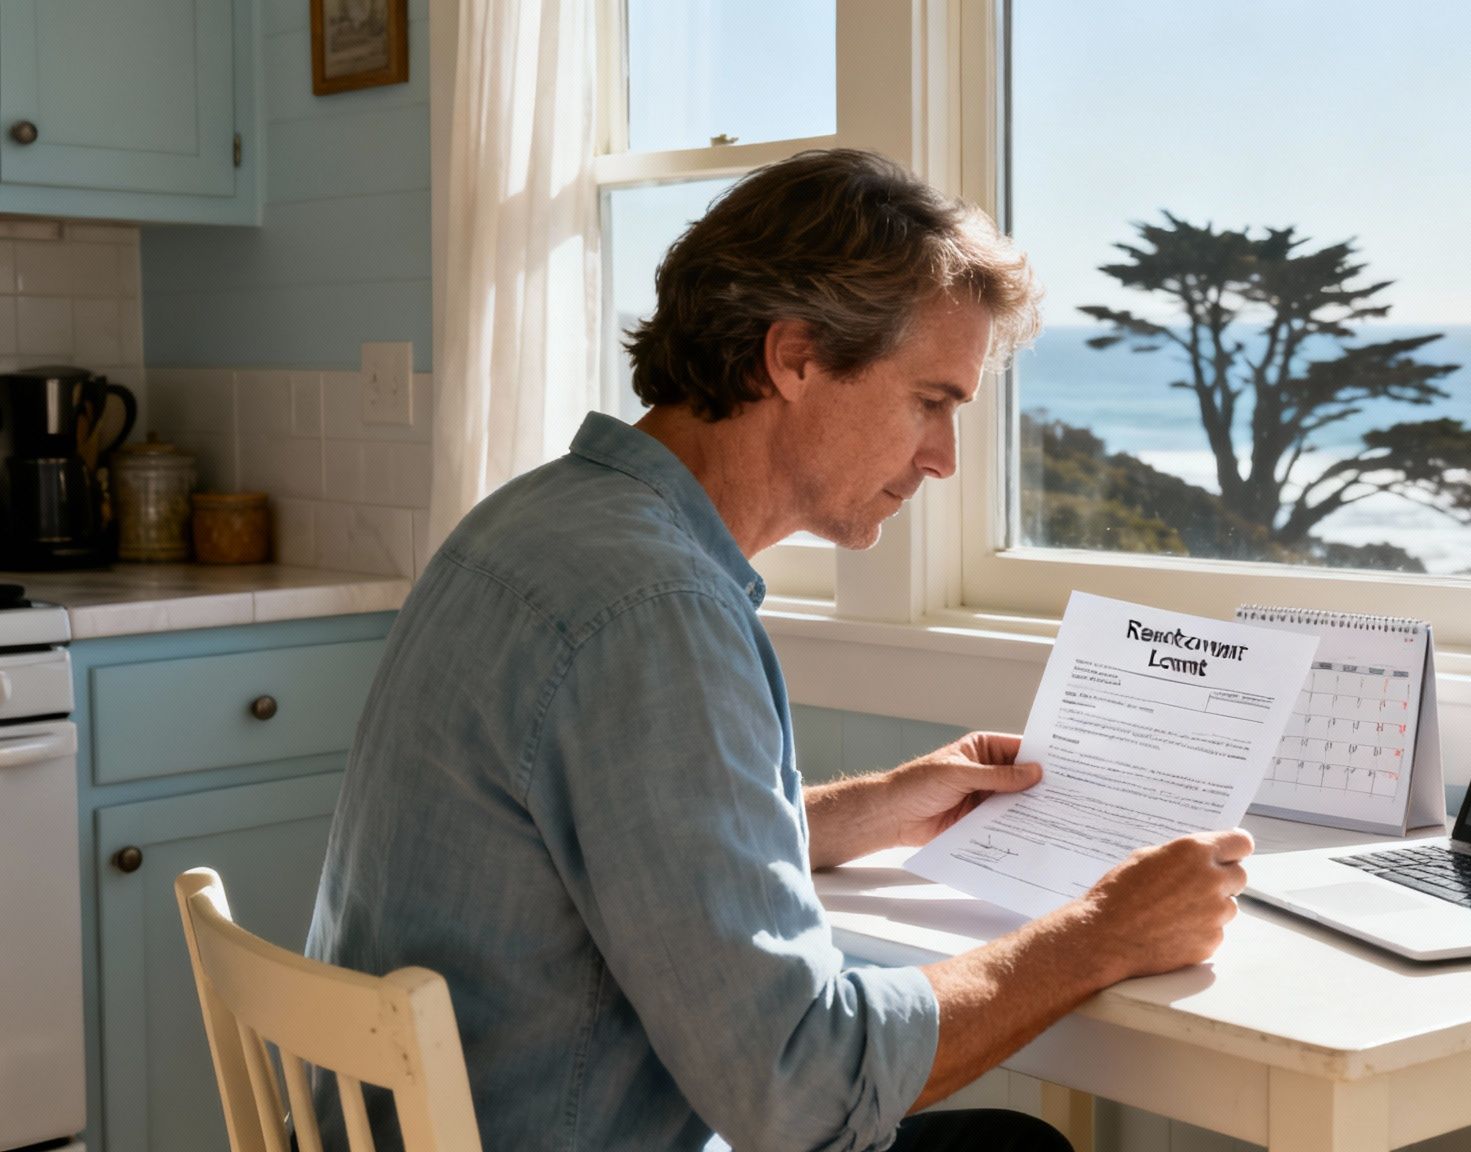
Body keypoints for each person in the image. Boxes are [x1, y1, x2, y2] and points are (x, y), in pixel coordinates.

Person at [307, 148, 1253, 1152]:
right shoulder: (656, 611)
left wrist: (877, 808)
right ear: (794, 356)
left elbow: (633, 846)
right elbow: (802, 1088)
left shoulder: (533, 522)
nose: (942, 458)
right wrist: (1099, 936)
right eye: (930, 402)